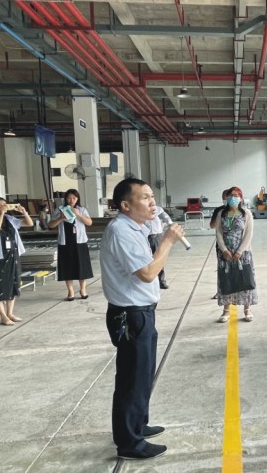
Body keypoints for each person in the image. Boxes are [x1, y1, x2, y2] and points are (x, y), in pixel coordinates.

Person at [100, 178, 184, 460]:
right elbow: (147, 273)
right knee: (132, 379)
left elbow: (154, 229)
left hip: (143, 312)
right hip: (130, 314)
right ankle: (129, 443)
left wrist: (160, 228)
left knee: (143, 374)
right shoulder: (121, 232)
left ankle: (137, 425)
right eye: (145, 197)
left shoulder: (136, 227)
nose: (152, 202)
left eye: (152, 196)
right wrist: (168, 242)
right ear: (125, 205)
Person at [0, 199, 33, 325]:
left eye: (3, 204)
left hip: (13, 255)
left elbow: (29, 223)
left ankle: (10, 313)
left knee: (13, 284)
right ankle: (3, 316)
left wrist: (24, 212)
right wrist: (1, 215)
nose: (2, 207)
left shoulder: (10, 219)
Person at [216, 187, 258, 323]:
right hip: (225, 254)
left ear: (240, 198)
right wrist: (224, 250)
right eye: (230, 195)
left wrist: (240, 251)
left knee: (245, 279)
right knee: (226, 280)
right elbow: (218, 232)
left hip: (243, 253)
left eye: (235, 195)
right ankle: (226, 310)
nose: (232, 198)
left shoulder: (246, 214)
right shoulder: (222, 213)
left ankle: (247, 309)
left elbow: (249, 234)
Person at [48, 189, 94, 301]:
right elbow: (51, 225)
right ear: (65, 199)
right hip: (65, 242)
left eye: (74, 198)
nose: (71, 200)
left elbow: (89, 223)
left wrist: (78, 215)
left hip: (80, 242)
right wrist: (61, 218)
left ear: (77, 199)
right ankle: (70, 291)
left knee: (82, 266)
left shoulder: (82, 209)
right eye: (69, 198)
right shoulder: (60, 209)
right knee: (67, 267)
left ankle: (83, 289)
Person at [145, 205, 170, 289]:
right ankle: (148, 282)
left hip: (157, 236)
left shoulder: (158, 209)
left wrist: (168, 225)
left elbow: (167, 218)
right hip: (145, 237)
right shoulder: (140, 210)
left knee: (159, 257)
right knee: (146, 259)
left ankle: (161, 281)